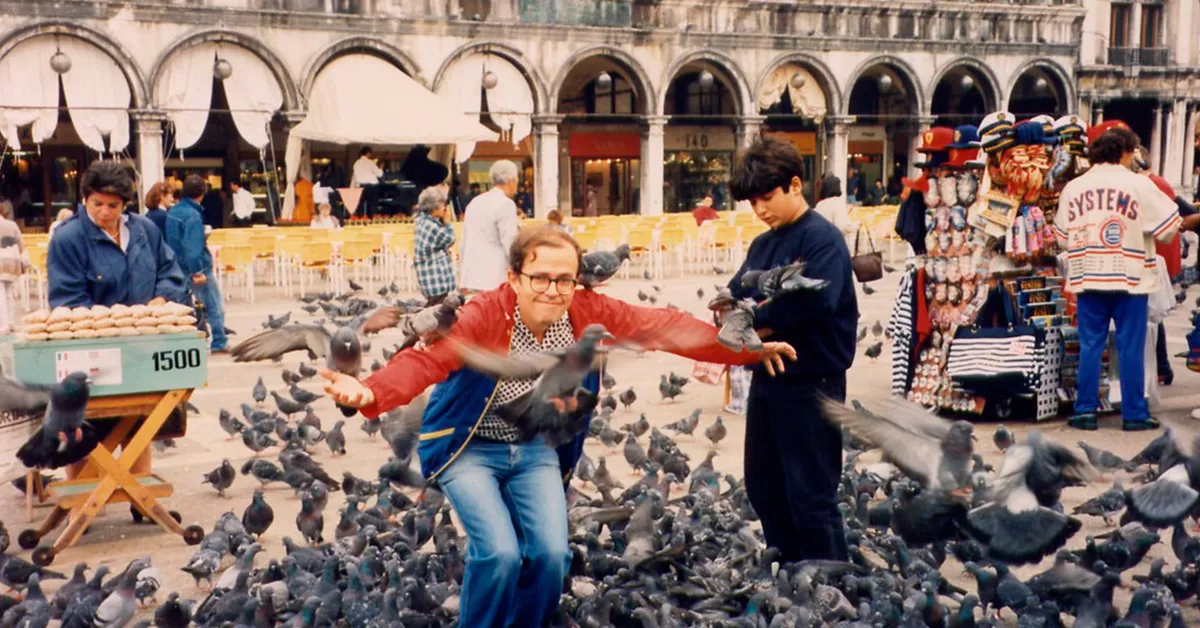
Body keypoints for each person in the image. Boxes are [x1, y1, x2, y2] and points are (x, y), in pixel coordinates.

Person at [320, 226, 796, 627]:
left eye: (564, 280)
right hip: (469, 449)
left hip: (533, 450)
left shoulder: (586, 310)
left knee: (551, 557)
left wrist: (746, 351)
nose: (553, 289)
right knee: (500, 554)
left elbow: (663, 326)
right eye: (541, 278)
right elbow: (427, 362)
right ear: (514, 277)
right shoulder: (484, 313)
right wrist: (371, 393)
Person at [727, 135, 859, 562]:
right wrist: (751, 317)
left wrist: (758, 319)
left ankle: (834, 586)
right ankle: (787, 581)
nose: (760, 210)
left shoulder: (821, 238)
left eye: (767, 197)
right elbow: (734, 296)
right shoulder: (763, 244)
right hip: (767, 380)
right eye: (752, 203)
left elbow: (814, 301)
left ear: (796, 185)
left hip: (812, 381)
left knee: (811, 494)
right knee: (762, 486)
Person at [47, 162, 188, 478]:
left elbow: (170, 271)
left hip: (144, 345)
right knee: (89, 423)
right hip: (92, 349)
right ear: (85, 199)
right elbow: (67, 300)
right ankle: (85, 500)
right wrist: (109, 326)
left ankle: (140, 496)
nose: (105, 212)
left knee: (139, 420)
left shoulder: (144, 230)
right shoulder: (67, 239)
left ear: (125, 205)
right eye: (97, 204)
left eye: (113, 205)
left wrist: (160, 300)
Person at [1054, 125, 1181, 432]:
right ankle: (1134, 414)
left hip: (1088, 275)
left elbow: (1061, 237)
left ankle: (1085, 411)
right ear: (1125, 152)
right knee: (1129, 346)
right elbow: (1168, 227)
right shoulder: (1138, 184)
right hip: (1130, 276)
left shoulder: (1074, 187)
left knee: (1090, 345)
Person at [168, 174, 229, 354]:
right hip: (194, 267)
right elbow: (192, 247)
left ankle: (186, 340)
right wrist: (199, 271)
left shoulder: (173, 211)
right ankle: (219, 341)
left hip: (176, 265)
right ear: (202, 192)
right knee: (213, 304)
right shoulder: (193, 215)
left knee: (184, 306)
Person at [461, 160, 521, 293]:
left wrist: (463, 277)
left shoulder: (475, 202)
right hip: (494, 277)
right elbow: (509, 241)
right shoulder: (506, 204)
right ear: (511, 181)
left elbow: (464, 240)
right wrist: (519, 268)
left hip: (472, 276)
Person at [413, 187, 457, 306]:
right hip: (436, 286)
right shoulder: (429, 226)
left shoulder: (424, 222)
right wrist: (447, 222)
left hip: (435, 285)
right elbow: (450, 239)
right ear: (434, 207)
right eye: (443, 204)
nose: (445, 208)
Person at [0, 201, 28, 334]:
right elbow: (21, 243)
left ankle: (3, 324)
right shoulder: (11, 225)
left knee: (0, 294)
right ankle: (11, 322)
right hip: (12, 260)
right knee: (9, 293)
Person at [813, 174, 854, 241]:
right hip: (831, 243)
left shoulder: (820, 204)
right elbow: (842, 227)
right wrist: (856, 225)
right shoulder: (837, 203)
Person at [352, 146, 384, 217]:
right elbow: (379, 174)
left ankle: (360, 218)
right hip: (372, 187)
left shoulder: (356, 163)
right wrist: (381, 168)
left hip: (361, 186)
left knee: (361, 204)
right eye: (371, 153)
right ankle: (373, 219)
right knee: (372, 205)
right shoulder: (370, 163)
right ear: (368, 153)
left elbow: (355, 177)